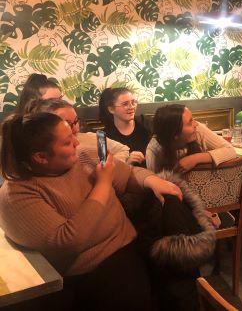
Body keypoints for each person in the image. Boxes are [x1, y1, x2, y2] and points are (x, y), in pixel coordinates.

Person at [0, 111, 189, 311]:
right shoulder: (17, 194)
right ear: (41, 157)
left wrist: (152, 181)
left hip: (128, 248)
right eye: (67, 142)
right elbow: (68, 241)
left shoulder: (85, 156)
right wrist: (103, 184)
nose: (77, 142)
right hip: (82, 276)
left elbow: (128, 175)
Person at [33, 98, 132, 166]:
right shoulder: (47, 154)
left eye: (76, 121)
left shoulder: (92, 137)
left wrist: (108, 166)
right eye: (67, 124)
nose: (76, 129)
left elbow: (123, 150)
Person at [145, 104, 236, 173]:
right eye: (190, 122)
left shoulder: (198, 130)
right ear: (175, 134)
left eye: (193, 119)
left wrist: (194, 159)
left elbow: (230, 150)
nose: (196, 124)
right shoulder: (154, 150)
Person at [99, 87, 151, 167]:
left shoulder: (146, 123)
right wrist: (126, 164)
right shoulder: (102, 137)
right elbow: (103, 169)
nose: (132, 107)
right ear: (111, 109)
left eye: (133, 102)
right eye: (125, 104)